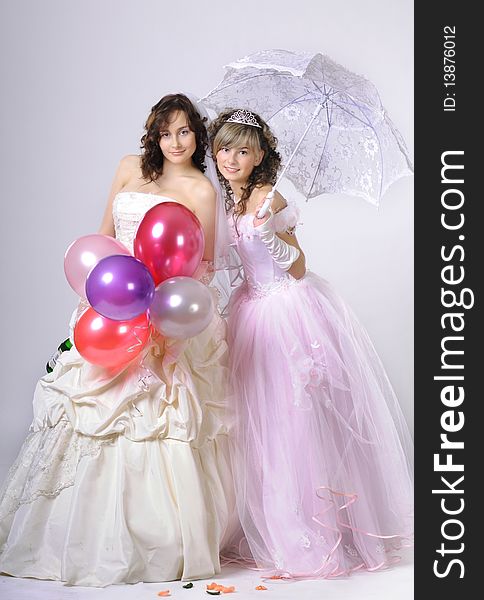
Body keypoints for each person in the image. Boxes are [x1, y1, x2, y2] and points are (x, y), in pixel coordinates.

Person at [0, 94, 237, 586]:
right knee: (84, 410)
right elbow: (104, 235)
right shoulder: (130, 168)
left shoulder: (201, 190)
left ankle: (154, 540)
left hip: (163, 317)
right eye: (165, 132)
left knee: (157, 417)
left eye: (185, 132)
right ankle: (66, 536)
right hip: (112, 308)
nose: (175, 142)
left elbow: (205, 265)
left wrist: (162, 327)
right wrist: (101, 299)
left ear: (198, 135)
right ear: (152, 135)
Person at [209, 108, 414, 579]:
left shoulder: (267, 198)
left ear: (259, 155)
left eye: (243, 149)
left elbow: (299, 267)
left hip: (286, 310)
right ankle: (272, 523)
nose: (231, 158)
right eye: (224, 148)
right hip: (251, 310)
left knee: (291, 420)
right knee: (255, 421)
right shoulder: (231, 201)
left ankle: (309, 530)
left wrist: (272, 236)